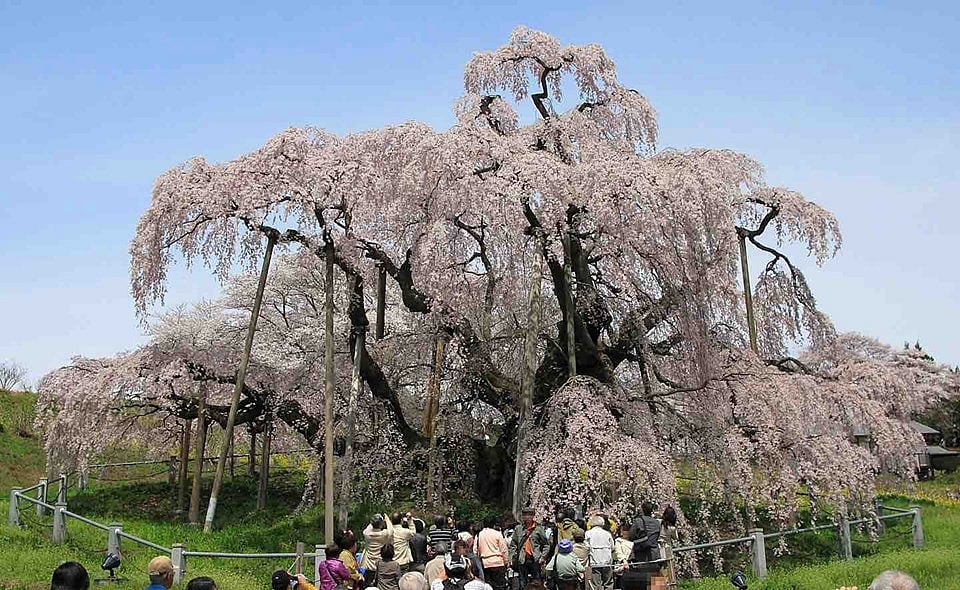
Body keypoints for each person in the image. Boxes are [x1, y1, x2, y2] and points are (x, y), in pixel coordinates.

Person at [511, 508, 550, 588]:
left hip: (535, 559)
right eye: (525, 515)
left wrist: (543, 557)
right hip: (522, 559)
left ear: (533, 516)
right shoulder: (518, 529)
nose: (527, 517)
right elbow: (513, 545)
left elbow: (546, 545)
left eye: (529, 515)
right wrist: (511, 558)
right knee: (523, 583)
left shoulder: (538, 529)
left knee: (537, 582)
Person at [476, 515, 510, 590]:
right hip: (498, 563)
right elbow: (503, 549)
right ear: (494, 524)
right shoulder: (497, 534)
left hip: (485, 564)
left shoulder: (479, 535)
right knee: (500, 586)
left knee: (488, 586)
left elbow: (475, 550)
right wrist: (506, 561)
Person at [362, 514, 396, 584]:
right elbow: (391, 530)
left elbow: (369, 527)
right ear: (381, 524)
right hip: (381, 565)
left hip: (369, 565)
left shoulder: (367, 534)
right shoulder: (384, 534)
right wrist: (387, 519)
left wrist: (375, 519)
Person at [585, 515, 615, 590]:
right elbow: (613, 547)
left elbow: (586, 547)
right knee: (608, 583)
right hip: (607, 561)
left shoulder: (588, 533)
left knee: (596, 584)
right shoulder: (607, 534)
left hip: (595, 561)